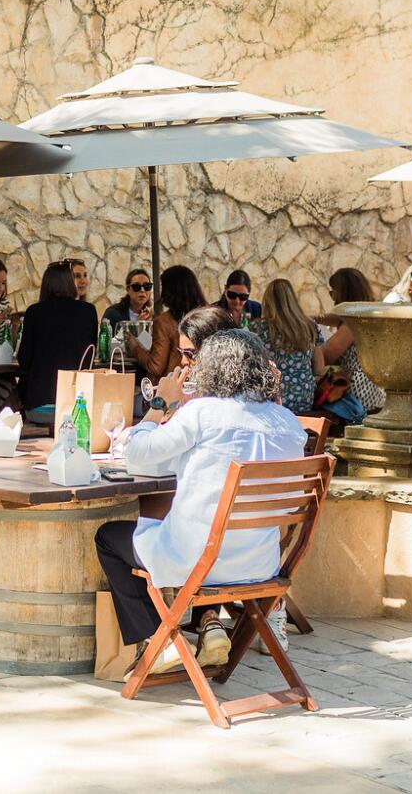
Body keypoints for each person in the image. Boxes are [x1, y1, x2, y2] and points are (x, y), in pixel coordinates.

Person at [96, 331, 308, 674]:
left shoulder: (203, 413)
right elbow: (287, 501)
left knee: (108, 538)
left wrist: (159, 403)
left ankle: (157, 640)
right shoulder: (287, 421)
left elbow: (135, 456)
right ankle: (188, 635)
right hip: (260, 565)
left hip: (197, 562)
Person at [16, 260, 99, 418]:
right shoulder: (88, 311)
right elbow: (91, 355)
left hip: (40, 404)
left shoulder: (34, 312)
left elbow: (24, 359)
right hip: (78, 404)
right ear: (69, 283)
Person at [311, 267, 388, 427]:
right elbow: (333, 318)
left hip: (358, 389)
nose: (332, 299)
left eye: (333, 293)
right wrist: (312, 319)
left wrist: (312, 342)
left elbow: (326, 356)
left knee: (312, 398)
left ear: (344, 293)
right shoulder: (368, 313)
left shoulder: (353, 323)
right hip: (376, 388)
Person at [257, 279, 320, 413]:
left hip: (273, 401)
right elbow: (319, 368)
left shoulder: (258, 329)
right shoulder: (311, 327)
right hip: (304, 400)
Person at [146, 265, 207, 382]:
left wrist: (135, 347)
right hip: (199, 385)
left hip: (172, 386)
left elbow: (156, 366)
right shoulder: (206, 318)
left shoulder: (164, 321)